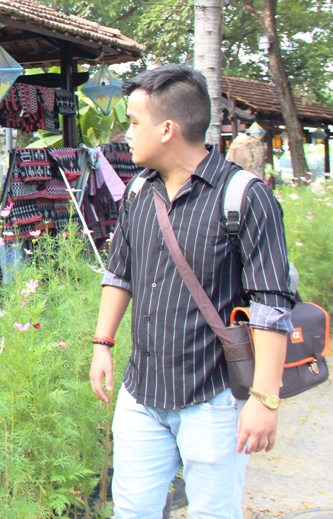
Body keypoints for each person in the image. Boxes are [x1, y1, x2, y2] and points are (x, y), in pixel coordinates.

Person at [89, 65, 293, 519]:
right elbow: (119, 272)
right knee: (132, 511)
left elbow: (271, 306)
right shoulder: (139, 191)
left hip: (214, 398)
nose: (127, 134)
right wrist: (103, 344)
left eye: (134, 122)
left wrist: (264, 400)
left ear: (167, 129)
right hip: (142, 393)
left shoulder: (244, 197)